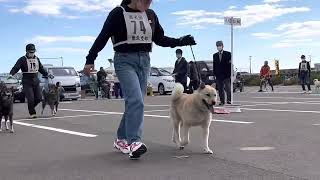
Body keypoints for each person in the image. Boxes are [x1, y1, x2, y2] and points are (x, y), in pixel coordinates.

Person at [83, 0, 196, 159]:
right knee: (136, 100)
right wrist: (90, 59)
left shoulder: (150, 15)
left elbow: (160, 39)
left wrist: (181, 41)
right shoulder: (118, 13)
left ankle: (121, 139)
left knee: (134, 102)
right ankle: (134, 142)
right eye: (145, 1)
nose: (148, 4)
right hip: (124, 60)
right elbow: (102, 37)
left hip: (144, 61)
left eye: (150, 1)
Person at [10, 44, 49, 118]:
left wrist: (47, 74)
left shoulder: (37, 59)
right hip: (27, 81)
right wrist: (11, 74)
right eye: (30, 52)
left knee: (39, 98)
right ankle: (32, 113)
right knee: (30, 98)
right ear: (27, 51)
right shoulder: (22, 59)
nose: (32, 53)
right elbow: (16, 68)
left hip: (36, 81)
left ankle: (31, 107)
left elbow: (41, 68)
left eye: (33, 52)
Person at [213, 41, 232, 105]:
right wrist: (214, 74)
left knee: (228, 88)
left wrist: (229, 74)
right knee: (220, 90)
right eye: (217, 46)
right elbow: (214, 65)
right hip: (218, 75)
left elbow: (230, 65)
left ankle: (229, 100)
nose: (219, 47)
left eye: (220, 45)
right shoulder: (215, 55)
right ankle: (222, 101)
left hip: (226, 75)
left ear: (223, 46)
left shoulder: (228, 54)